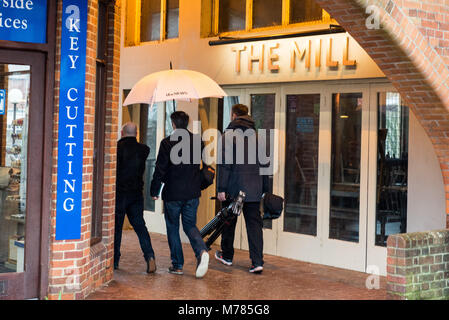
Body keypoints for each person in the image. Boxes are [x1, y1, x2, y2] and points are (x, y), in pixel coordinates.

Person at [150, 111, 209, 278]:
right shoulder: (198, 141)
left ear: (173, 124)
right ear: (187, 123)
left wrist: (154, 191)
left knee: (173, 228)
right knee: (190, 225)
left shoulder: (167, 143)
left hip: (173, 194)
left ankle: (177, 265)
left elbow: (160, 169)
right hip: (192, 193)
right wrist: (199, 185)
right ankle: (201, 251)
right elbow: (205, 167)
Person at [215, 104, 269, 274]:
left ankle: (227, 256)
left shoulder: (228, 136)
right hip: (254, 189)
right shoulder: (259, 137)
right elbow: (265, 166)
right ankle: (257, 262)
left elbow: (224, 164)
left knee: (228, 222)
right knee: (254, 226)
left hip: (234, 189)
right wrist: (265, 188)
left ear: (233, 115)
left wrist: (221, 188)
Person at [114, 122, 156, 273]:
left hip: (119, 193)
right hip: (136, 194)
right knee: (140, 226)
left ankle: (114, 260)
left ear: (121, 132)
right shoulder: (144, 150)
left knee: (116, 228)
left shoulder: (117, 149)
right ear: (137, 134)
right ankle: (150, 256)